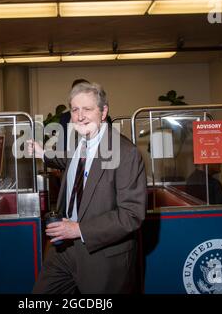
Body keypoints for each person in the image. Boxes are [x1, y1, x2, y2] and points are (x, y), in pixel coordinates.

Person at [27, 82, 146, 293]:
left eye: (88, 109)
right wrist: (42, 153)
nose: (80, 116)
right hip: (63, 249)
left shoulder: (126, 153)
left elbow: (131, 215)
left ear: (103, 112)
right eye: (75, 110)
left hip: (101, 255)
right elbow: (70, 160)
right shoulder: (80, 143)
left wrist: (78, 230)